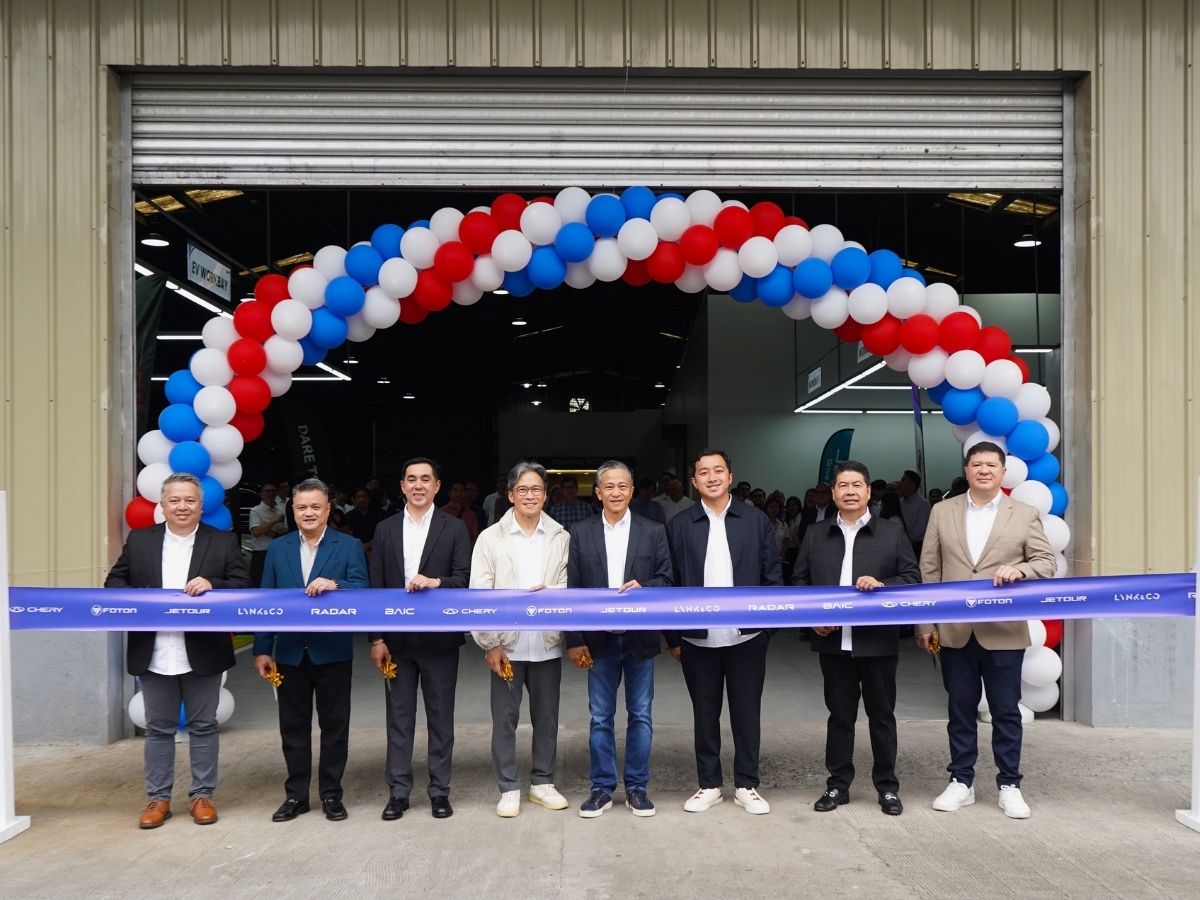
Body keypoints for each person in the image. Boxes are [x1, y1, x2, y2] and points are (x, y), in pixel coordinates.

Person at [915, 441, 1056, 819]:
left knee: (1005, 711)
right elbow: (929, 570)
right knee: (959, 709)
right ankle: (962, 781)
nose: (983, 471)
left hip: (1004, 629)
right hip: (955, 630)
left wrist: (1020, 570)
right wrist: (925, 623)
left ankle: (1009, 784)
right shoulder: (942, 512)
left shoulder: (1023, 513)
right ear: (966, 470)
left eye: (991, 465)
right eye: (976, 464)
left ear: (1002, 471)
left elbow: (1045, 561)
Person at [105, 472, 250, 829]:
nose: (182, 507)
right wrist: (144, 595)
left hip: (203, 649)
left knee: (204, 726)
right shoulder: (140, 541)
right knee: (159, 729)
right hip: (154, 651)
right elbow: (114, 583)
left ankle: (202, 796)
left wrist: (213, 584)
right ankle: (158, 799)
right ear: (162, 505)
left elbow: (243, 584)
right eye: (175, 500)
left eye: (190, 501)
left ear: (201, 506)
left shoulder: (222, 541)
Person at [792, 460, 920, 817]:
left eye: (857, 485)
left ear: (869, 492)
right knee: (840, 716)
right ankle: (837, 785)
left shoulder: (891, 533)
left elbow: (912, 580)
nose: (849, 491)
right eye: (842, 485)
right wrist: (811, 619)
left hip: (878, 642)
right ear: (832, 493)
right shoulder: (816, 534)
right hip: (833, 644)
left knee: (882, 716)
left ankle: (888, 788)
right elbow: (799, 584)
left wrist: (882, 587)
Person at [665, 449, 782, 816]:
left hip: (746, 637)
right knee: (704, 713)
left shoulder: (755, 519)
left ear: (730, 476)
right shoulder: (680, 524)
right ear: (694, 481)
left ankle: (747, 784)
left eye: (719, 470)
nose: (712, 477)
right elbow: (668, 583)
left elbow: (771, 576)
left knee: (747, 713)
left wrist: (764, 631)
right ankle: (709, 784)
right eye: (703, 472)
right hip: (697, 638)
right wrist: (673, 637)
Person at [253, 478, 368, 824]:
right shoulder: (278, 549)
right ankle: (296, 796)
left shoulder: (348, 546)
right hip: (289, 653)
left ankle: (331, 794)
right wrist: (262, 649)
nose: (308, 513)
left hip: (332, 652)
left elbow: (363, 590)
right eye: (301, 507)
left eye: (315, 506)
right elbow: (266, 603)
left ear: (328, 508)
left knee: (335, 726)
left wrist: (337, 586)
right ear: (293, 509)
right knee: (293, 728)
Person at [564, 461, 672, 819]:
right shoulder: (580, 533)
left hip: (639, 639)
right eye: (608, 487)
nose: (615, 493)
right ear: (597, 493)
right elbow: (573, 589)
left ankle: (638, 788)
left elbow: (667, 580)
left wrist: (647, 587)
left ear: (632, 490)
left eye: (622, 486)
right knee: (600, 717)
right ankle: (602, 788)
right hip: (599, 641)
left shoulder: (653, 530)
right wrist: (575, 638)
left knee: (641, 714)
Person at [367, 457, 472, 821]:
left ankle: (439, 792)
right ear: (401, 486)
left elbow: (464, 579)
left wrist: (436, 581)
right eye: (411, 479)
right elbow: (376, 586)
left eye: (426, 479)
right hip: (396, 642)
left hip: (439, 641)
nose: (418, 485)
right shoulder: (385, 529)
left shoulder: (455, 528)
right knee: (399, 720)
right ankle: (398, 793)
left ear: (437, 486)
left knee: (441, 719)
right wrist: (376, 638)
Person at [470, 461, 571, 818]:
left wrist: (553, 595)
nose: (530, 496)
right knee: (505, 719)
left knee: (547, 718)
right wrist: (491, 643)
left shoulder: (560, 536)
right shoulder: (490, 538)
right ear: (510, 495)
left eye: (537, 490)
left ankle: (543, 783)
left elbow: (566, 584)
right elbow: (479, 595)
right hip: (507, 645)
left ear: (546, 495)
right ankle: (509, 787)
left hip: (546, 641)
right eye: (523, 490)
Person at [248, 482, 287, 586]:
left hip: (279, 551)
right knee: (260, 584)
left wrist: (272, 533)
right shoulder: (255, 510)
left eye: (273, 491)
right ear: (261, 494)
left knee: (279, 583)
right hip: (262, 553)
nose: (271, 494)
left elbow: (287, 530)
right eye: (267, 491)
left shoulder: (281, 509)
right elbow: (256, 532)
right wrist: (274, 521)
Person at [898, 469, 931, 556]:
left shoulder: (922, 504)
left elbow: (919, 533)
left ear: (912, 484)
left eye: (903, 480)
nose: (900, 483)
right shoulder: (899, 502)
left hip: (916, 550)